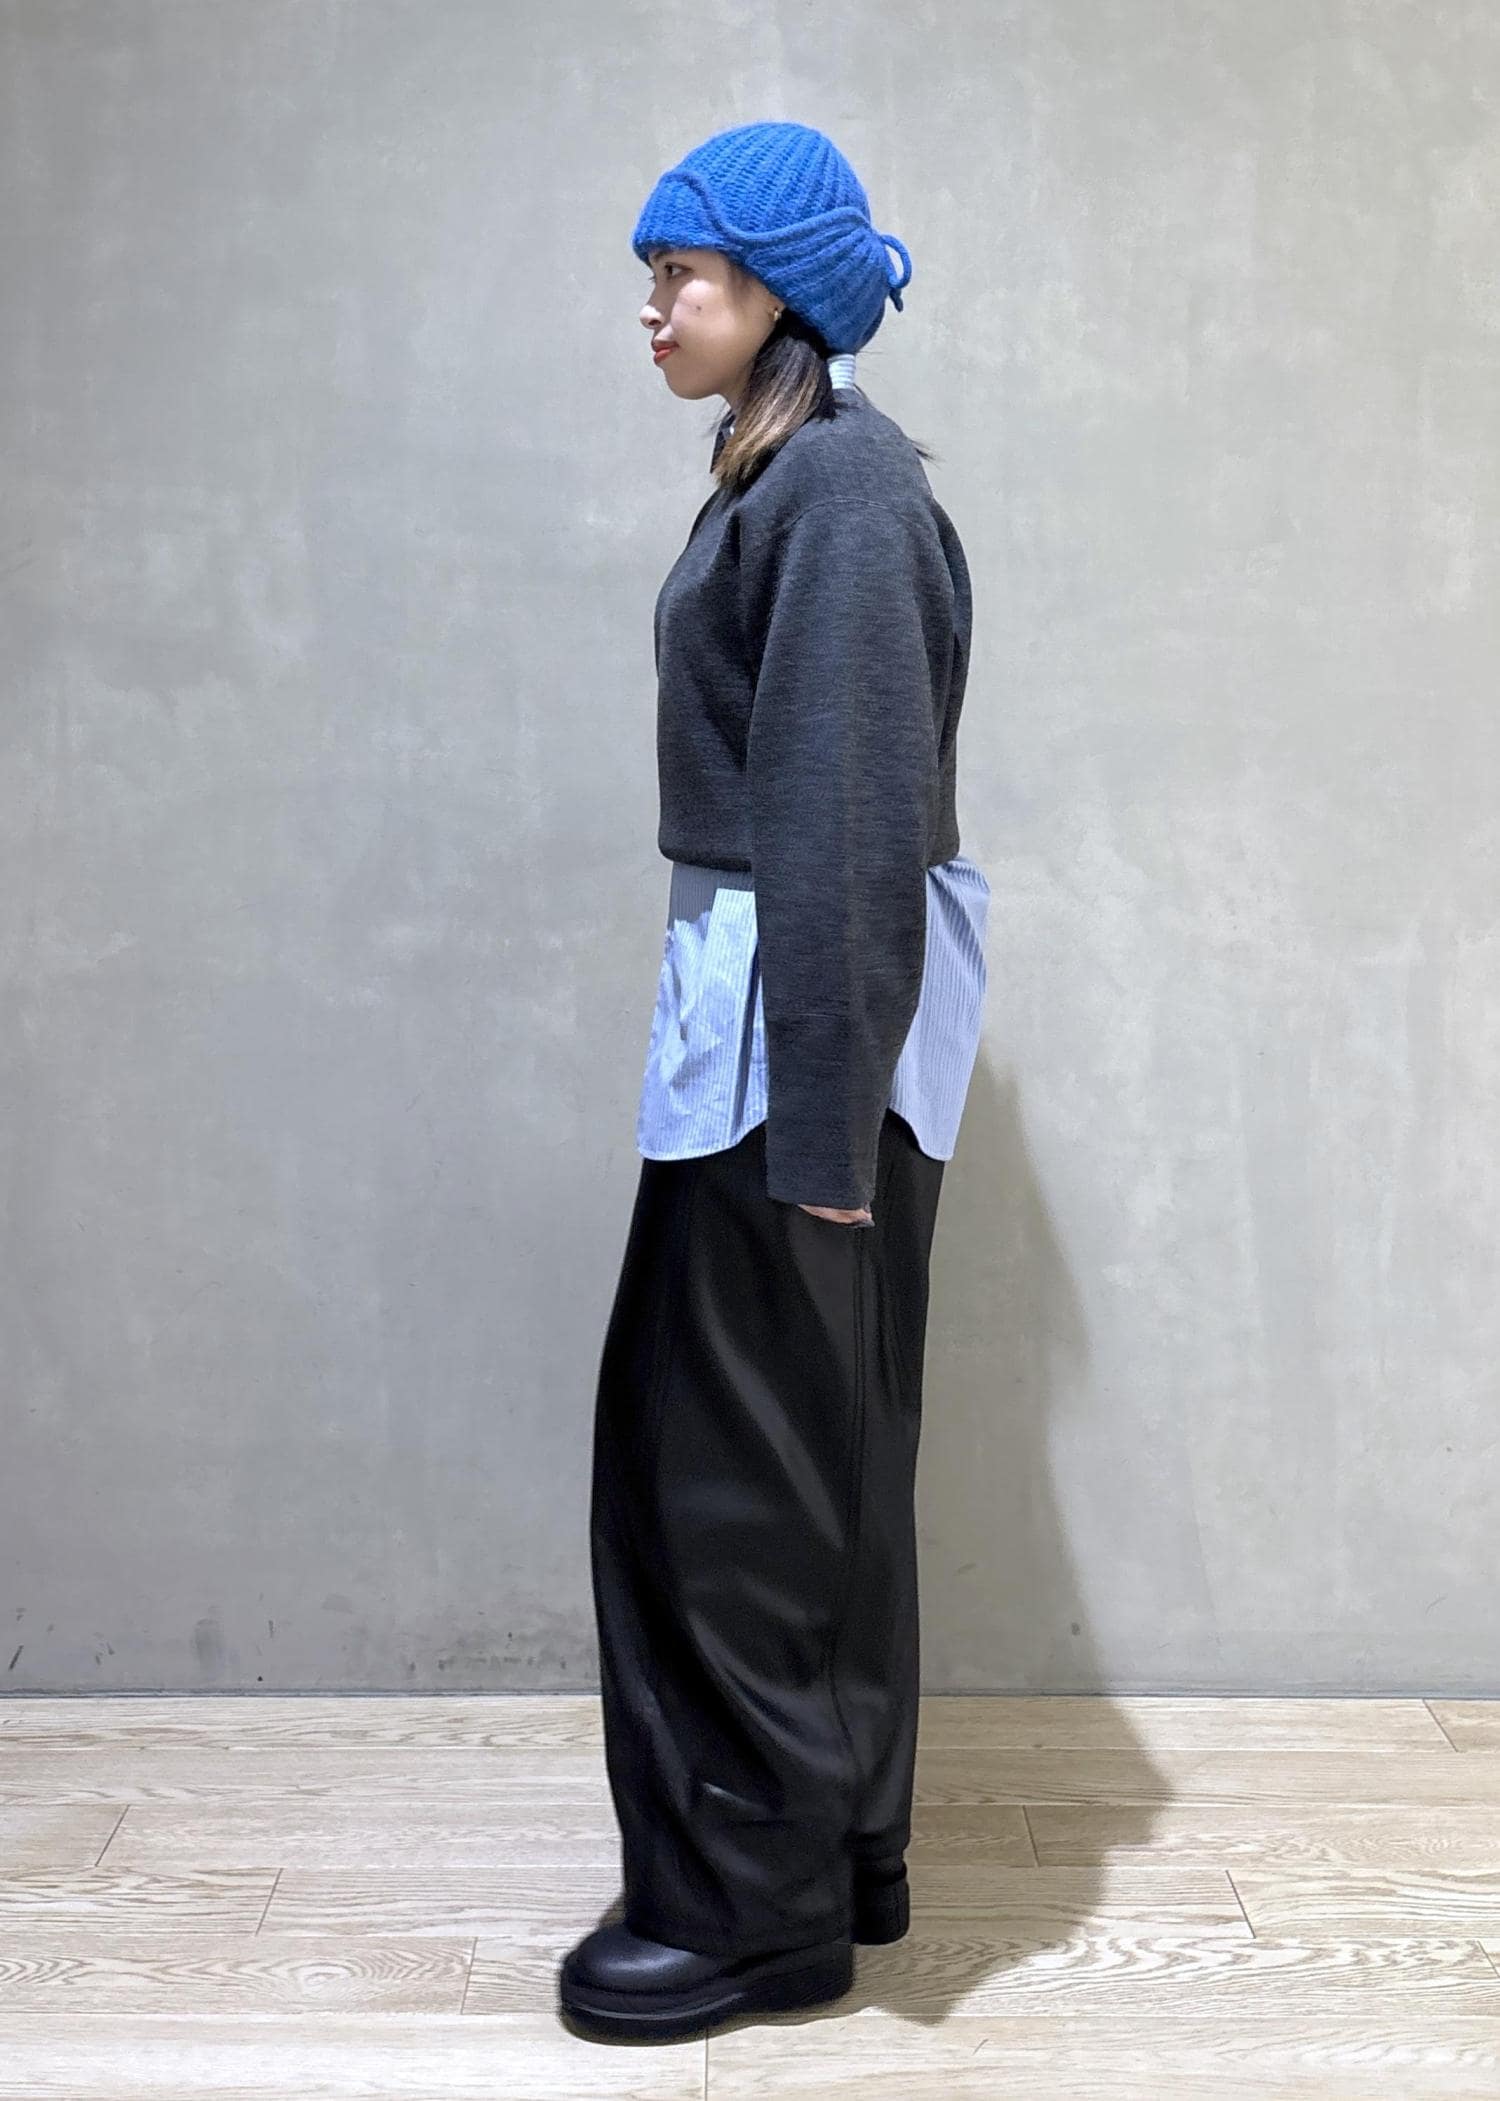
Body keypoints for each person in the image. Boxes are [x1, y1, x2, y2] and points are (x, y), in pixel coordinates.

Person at [558, 120, 990, 2044]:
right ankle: (834, 1860)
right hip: (780, 1038)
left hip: (786, 1055)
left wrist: (821, 1132)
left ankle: (750, 1913)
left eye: (688, 275)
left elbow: (850, 822)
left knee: (721, 1483)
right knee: (813, 1457)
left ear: (780, 297)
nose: (656, 306)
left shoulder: (842, 489)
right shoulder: (793, 474)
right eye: (654, 274)